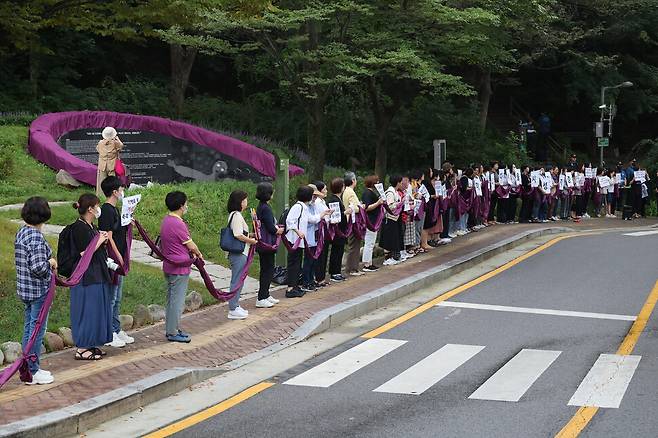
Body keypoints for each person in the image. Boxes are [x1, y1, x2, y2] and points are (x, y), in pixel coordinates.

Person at [15, 197, 56, 384]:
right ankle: (32, 370)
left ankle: (27, 367)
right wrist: (51, 262)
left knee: (28, 328)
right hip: (38, 291)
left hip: (25, 290)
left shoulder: (21, 232)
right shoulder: (36, 238)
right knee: (37, 330)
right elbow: (39, 268)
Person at [69, 194, 112, 360]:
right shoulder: (79, 228)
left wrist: (102, 240)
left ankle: (92, 343)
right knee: (87, 310)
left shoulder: (90, 226)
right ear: (90, 209)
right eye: (97, 206)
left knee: (97, 310)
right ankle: (82, 348)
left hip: (97, 273)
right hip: (86, 276)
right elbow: (84, 253)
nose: (98, 209)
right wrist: (99, 240)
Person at [160, 191, 203, 342]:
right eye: (185, 203)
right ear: (181, 205)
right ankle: (172, 332)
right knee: (177, 302)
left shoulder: (166, 220)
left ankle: (172, 328)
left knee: (171, 300)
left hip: (169, 266)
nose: (186, 206)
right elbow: (191, 245)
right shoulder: (178, 223)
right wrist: (199, 253)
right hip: (179, 268)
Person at [98, 176, 134, 348]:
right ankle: (109, 332)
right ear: (114, 191)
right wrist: (118, 256)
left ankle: (116, 328)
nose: (122, 191)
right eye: (121, 188)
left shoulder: (115, 210)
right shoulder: (106, 210)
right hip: (112, 260)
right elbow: (107, 237)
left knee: (117, 297)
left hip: (119, 258)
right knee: (111, 297)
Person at [225, 190, 258, 319]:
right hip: (239, 253)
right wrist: (251, 240)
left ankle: (236, 305)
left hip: (240, 252)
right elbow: (237, 234)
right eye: (244, 200)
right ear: (239, 202)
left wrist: (250, 235)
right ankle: (233, 308)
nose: (246, 202)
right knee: (237, 279)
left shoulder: (234, 215)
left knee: (239, 279)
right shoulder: (237, 215)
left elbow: (240, 233)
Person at [255, 182, 283, 308]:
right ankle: (261, 297)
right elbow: (270, 227)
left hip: (263, 244)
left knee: (267, 269)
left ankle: (266, 294)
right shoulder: (265, 208)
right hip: (267, 244)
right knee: (267, 269)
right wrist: (278, 230)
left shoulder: (261, 206)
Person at [302, 184, 331, 291]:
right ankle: (306, 281)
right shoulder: (304, 207)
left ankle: (311, 279)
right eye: (313, 196)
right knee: (308, 260)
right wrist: (322, 215)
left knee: (313, 259)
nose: (314, 198)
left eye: (315, 196)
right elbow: (312, 219)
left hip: (315, 234)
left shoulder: (313, 205)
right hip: (308, 235)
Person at [285, 186, 313, 297]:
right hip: (294, 241)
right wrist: (298, 232)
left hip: (299, 241)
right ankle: (290, 288)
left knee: (297, 264)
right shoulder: (298, 207)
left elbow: (311, 219)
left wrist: (323, 214)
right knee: (293, 263)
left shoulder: (304, 207)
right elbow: (289, 221)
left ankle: (295, 286)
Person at [325, 178, 351, 281]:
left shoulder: (337, 199)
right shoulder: (333, 200)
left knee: (339, 251)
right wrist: (346, 212)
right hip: (337, 231)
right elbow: (335, 217)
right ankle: (334, 272)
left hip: (340, 230)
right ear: (341, 188)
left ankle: (337, 271)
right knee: (336, 251)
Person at [342, 172, 364, 276]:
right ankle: (351, 268)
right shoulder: (350, 192)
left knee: (355, 244)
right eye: (355, 179)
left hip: (353, 220)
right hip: (352, 221)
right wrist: (361, 207)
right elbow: (352, 207)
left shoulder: (347, 191)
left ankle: (353, 267)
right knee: (354, 245)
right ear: (352, 181)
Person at [361, 175, 384, 271]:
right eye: (377, 182)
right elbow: (367, 207)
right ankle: (366, 264)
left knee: (371, 242)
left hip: (374, 220)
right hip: (370, 221)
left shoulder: (371, 192)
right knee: (369, 242)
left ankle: (369, 261)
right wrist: (378, 203)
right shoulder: (367, 193)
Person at [381, 175, 404, 265]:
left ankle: (395, 255)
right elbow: (389, 206)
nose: (402, 183)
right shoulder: (390, 192)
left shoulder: (395, 191)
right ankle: (388, 257)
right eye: (401, 182)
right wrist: (399, 204)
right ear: (397, 182)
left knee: (395, 236)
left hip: (395, 217)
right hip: (390, 218)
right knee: (391, 238)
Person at [96, 127, 123, 197]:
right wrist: (117, 139)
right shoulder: (115, 143)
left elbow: (98, 150)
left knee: (101, 182)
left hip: (102, 165)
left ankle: (101, 196)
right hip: (112, 166)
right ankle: (113, 195)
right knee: (112, 182)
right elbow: (121, 146)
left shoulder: (100, 143)